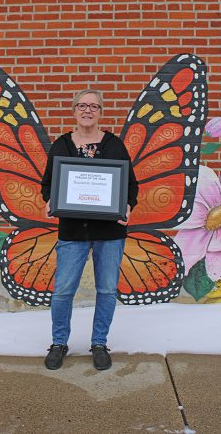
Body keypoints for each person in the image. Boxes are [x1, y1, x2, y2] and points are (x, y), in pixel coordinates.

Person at [41, 89, 139, 371]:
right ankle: (59, 343)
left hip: (110, 232)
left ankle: (99, 343)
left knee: (107, 290)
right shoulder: (61, 145)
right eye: (82, 105)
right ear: (74, 110)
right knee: (62, 291)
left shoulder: (114, 145)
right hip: (72, 230)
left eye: (94, 106)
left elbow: (130, 184)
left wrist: (129, 204)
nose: (87, 110)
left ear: (101, 112)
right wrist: (49, 200)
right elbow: (48, 184)